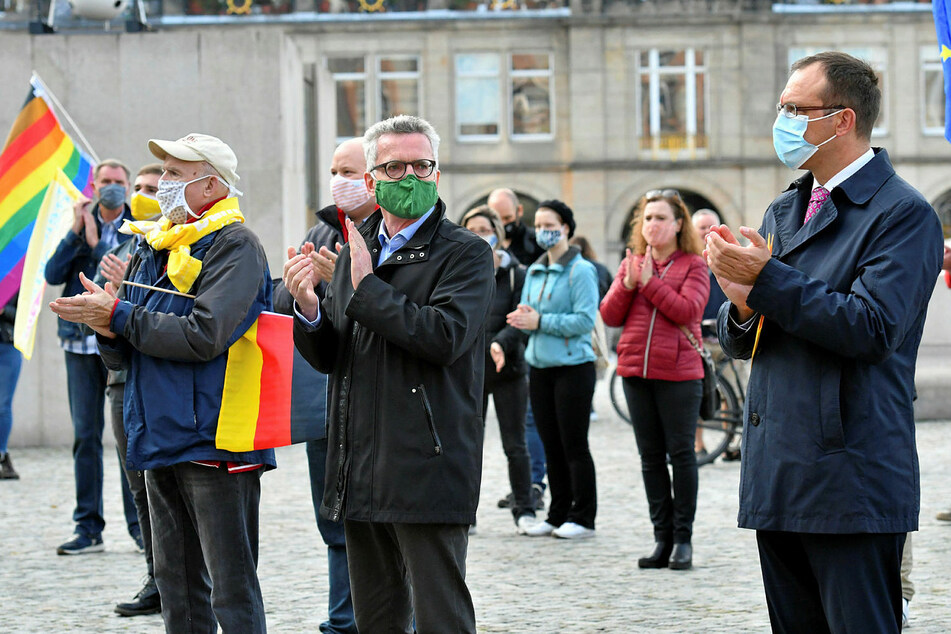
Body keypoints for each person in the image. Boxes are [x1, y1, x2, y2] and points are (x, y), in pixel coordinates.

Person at [706, 52, 942, 632]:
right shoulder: (785, 208)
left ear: (841, 120)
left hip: (850, 474)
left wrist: (766, 280)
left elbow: (872, 328)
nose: (782, 118)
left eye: (795, 108)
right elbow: (754, 337)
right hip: (780, 471)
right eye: (782, 106)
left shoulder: (903, 214)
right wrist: (739, 304)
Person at [50, 133, 275, 633]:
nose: (163, 184)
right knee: (178, 590)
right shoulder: (154, 242)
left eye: (176, 174)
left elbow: (204, 334)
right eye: (165, 172)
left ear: (212, 186)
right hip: (157, 433)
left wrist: (120, 314)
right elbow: (126, 351)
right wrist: (107, 327)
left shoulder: (236, 245)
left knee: (231, 588)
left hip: (217, 439)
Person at [284, 115, 494, 633]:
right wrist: (309, 309)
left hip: (427, 464)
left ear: (437, 174)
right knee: (375, 620)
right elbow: (335, 355)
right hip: (360, 466)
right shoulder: (361, 244)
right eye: (395, 166)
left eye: (422, 165)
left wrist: (366, 285)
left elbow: (443, 337)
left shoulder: (465, 253)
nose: (411, 177)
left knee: (440, 617)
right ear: (371, 181)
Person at [272, 138, 376, 634]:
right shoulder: (321, 229)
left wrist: (346, 284)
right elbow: (285, 301)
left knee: (386, 524)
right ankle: (343, 619)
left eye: (348, 170)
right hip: (329, 405)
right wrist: (299, 287)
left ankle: (397, 617)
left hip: (381, 404)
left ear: (375, 175)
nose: (338, 180)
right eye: (334, 170)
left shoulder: (397, 234)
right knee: (334, 520)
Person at [599, 189, 708, 570]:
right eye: (647, 218)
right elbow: (609, 316)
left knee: (681, 455)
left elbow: (688, 309)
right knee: (650, 459)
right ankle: (661, 538)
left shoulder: (694, 264)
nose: (652, 225)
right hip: (635, 373)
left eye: (661, 218)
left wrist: (647, 283)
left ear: (679, 225)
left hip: (679, 374)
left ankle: (683, 539)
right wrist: (629, 284)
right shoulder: (632, 263)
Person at [44, 159, 137, 555]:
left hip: (117, 343)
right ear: (94, 185)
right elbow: (53, 274)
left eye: (118, 182)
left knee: (125, 437)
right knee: (85, 436)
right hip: (78, 346)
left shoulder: (138, 228)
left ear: (128, 187)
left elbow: (116, 279)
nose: (112, 187)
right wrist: (76, 234)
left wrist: (100, 243)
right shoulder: (79, 227)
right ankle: (88, 527)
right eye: (105, 181)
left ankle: (138, 527)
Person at [90, 163, 164, 617]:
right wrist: (109, 293)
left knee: (171, 487)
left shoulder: (187, 245)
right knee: (139, 485)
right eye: (138, 188)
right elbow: (105, 312)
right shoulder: (123, 246)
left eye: (153, 188)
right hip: (122, 380)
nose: (141, 194)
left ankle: (185, 577)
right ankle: (156, 577)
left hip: (163, 379)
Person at [509, 199, 599, 540]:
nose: (545, 231)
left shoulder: (581, 270)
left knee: (574, 444)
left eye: (551, 225)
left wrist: (540, 321)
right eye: (540, 225)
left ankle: (584, 516)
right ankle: (558, 512)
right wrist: (524, 319)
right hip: (540, 366)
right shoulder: (534, 269)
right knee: (549, 444)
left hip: (573, 367)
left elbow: (584, 320)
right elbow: (530, 312)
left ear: (566, 228)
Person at [461, 205, 536, 534]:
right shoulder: (457, 273)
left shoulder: (518, 273)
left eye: (485, 229)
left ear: (499, 235)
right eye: (472, 228)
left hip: (509, 370)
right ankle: (465, 513)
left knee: (515, 444)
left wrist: (501, 343)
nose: (479, 235)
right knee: (467, 443)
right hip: (469, 371)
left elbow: (521, 318)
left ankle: (525, 510)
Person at [488, 187, 548, 508]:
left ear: (518, 214)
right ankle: (522, 488)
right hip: (494, 349)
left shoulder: (532, 247)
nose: (503, 224)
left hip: (526, 344)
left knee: (527, 422)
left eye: (507, 218)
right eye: (497, 219)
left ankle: (534, 484)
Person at [690, 209, 730, 458]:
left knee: (733, 394)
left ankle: (730, 446)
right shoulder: (689, 262)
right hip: (699, 340)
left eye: (710, 226)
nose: (706, 231)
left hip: (727, 337)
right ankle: (698, 445)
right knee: (697, 396)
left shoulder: (729, 256)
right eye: (701, 227)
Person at [0, 295, 21, 479]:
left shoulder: (15, 279)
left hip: (7, 344)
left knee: (2, 405)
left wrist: (4, 310)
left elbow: (25, 315)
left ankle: (1, 453)